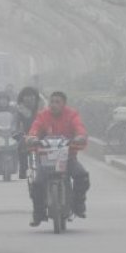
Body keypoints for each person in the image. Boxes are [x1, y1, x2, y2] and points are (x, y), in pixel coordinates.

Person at [27, 91, 89, 225]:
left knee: (82, 175)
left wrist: (80, 136)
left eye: (57, 102)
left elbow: (79, 128)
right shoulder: (42, 115)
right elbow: (35, 129)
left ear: (64, 104)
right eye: (52, 102)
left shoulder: (72, 115)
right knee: (37, 184)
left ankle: (79, 205)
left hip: (67, 157)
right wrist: (32, 138)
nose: (53, 105)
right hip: (46, 158)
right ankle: (38, 214)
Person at [16, 85, 43, 179]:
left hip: (41, 135)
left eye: (32, 96)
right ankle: (23, 169)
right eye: (26, 96)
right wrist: (17, 132)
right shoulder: (19, 110)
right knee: (21, 146)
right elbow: (16, 123)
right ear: (22, 98)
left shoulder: (42, 109)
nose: (29, 99)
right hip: (26, 135)